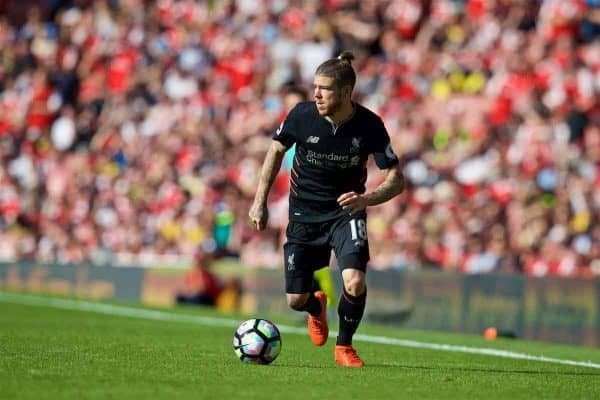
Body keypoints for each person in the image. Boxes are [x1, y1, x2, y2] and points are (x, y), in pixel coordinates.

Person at [249, 51, 405, 367]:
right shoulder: (301, 116)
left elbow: (396, 179)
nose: (317, 94)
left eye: (325, 89)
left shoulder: (370, 125)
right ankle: (314, 308)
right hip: (304, 214)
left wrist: (366, 199)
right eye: (315, 87)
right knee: (295, 300)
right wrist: (259, 201)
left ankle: (344, 346)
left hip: (345, 212)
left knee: (355, 282)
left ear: (346, 92)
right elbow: (276, 150)